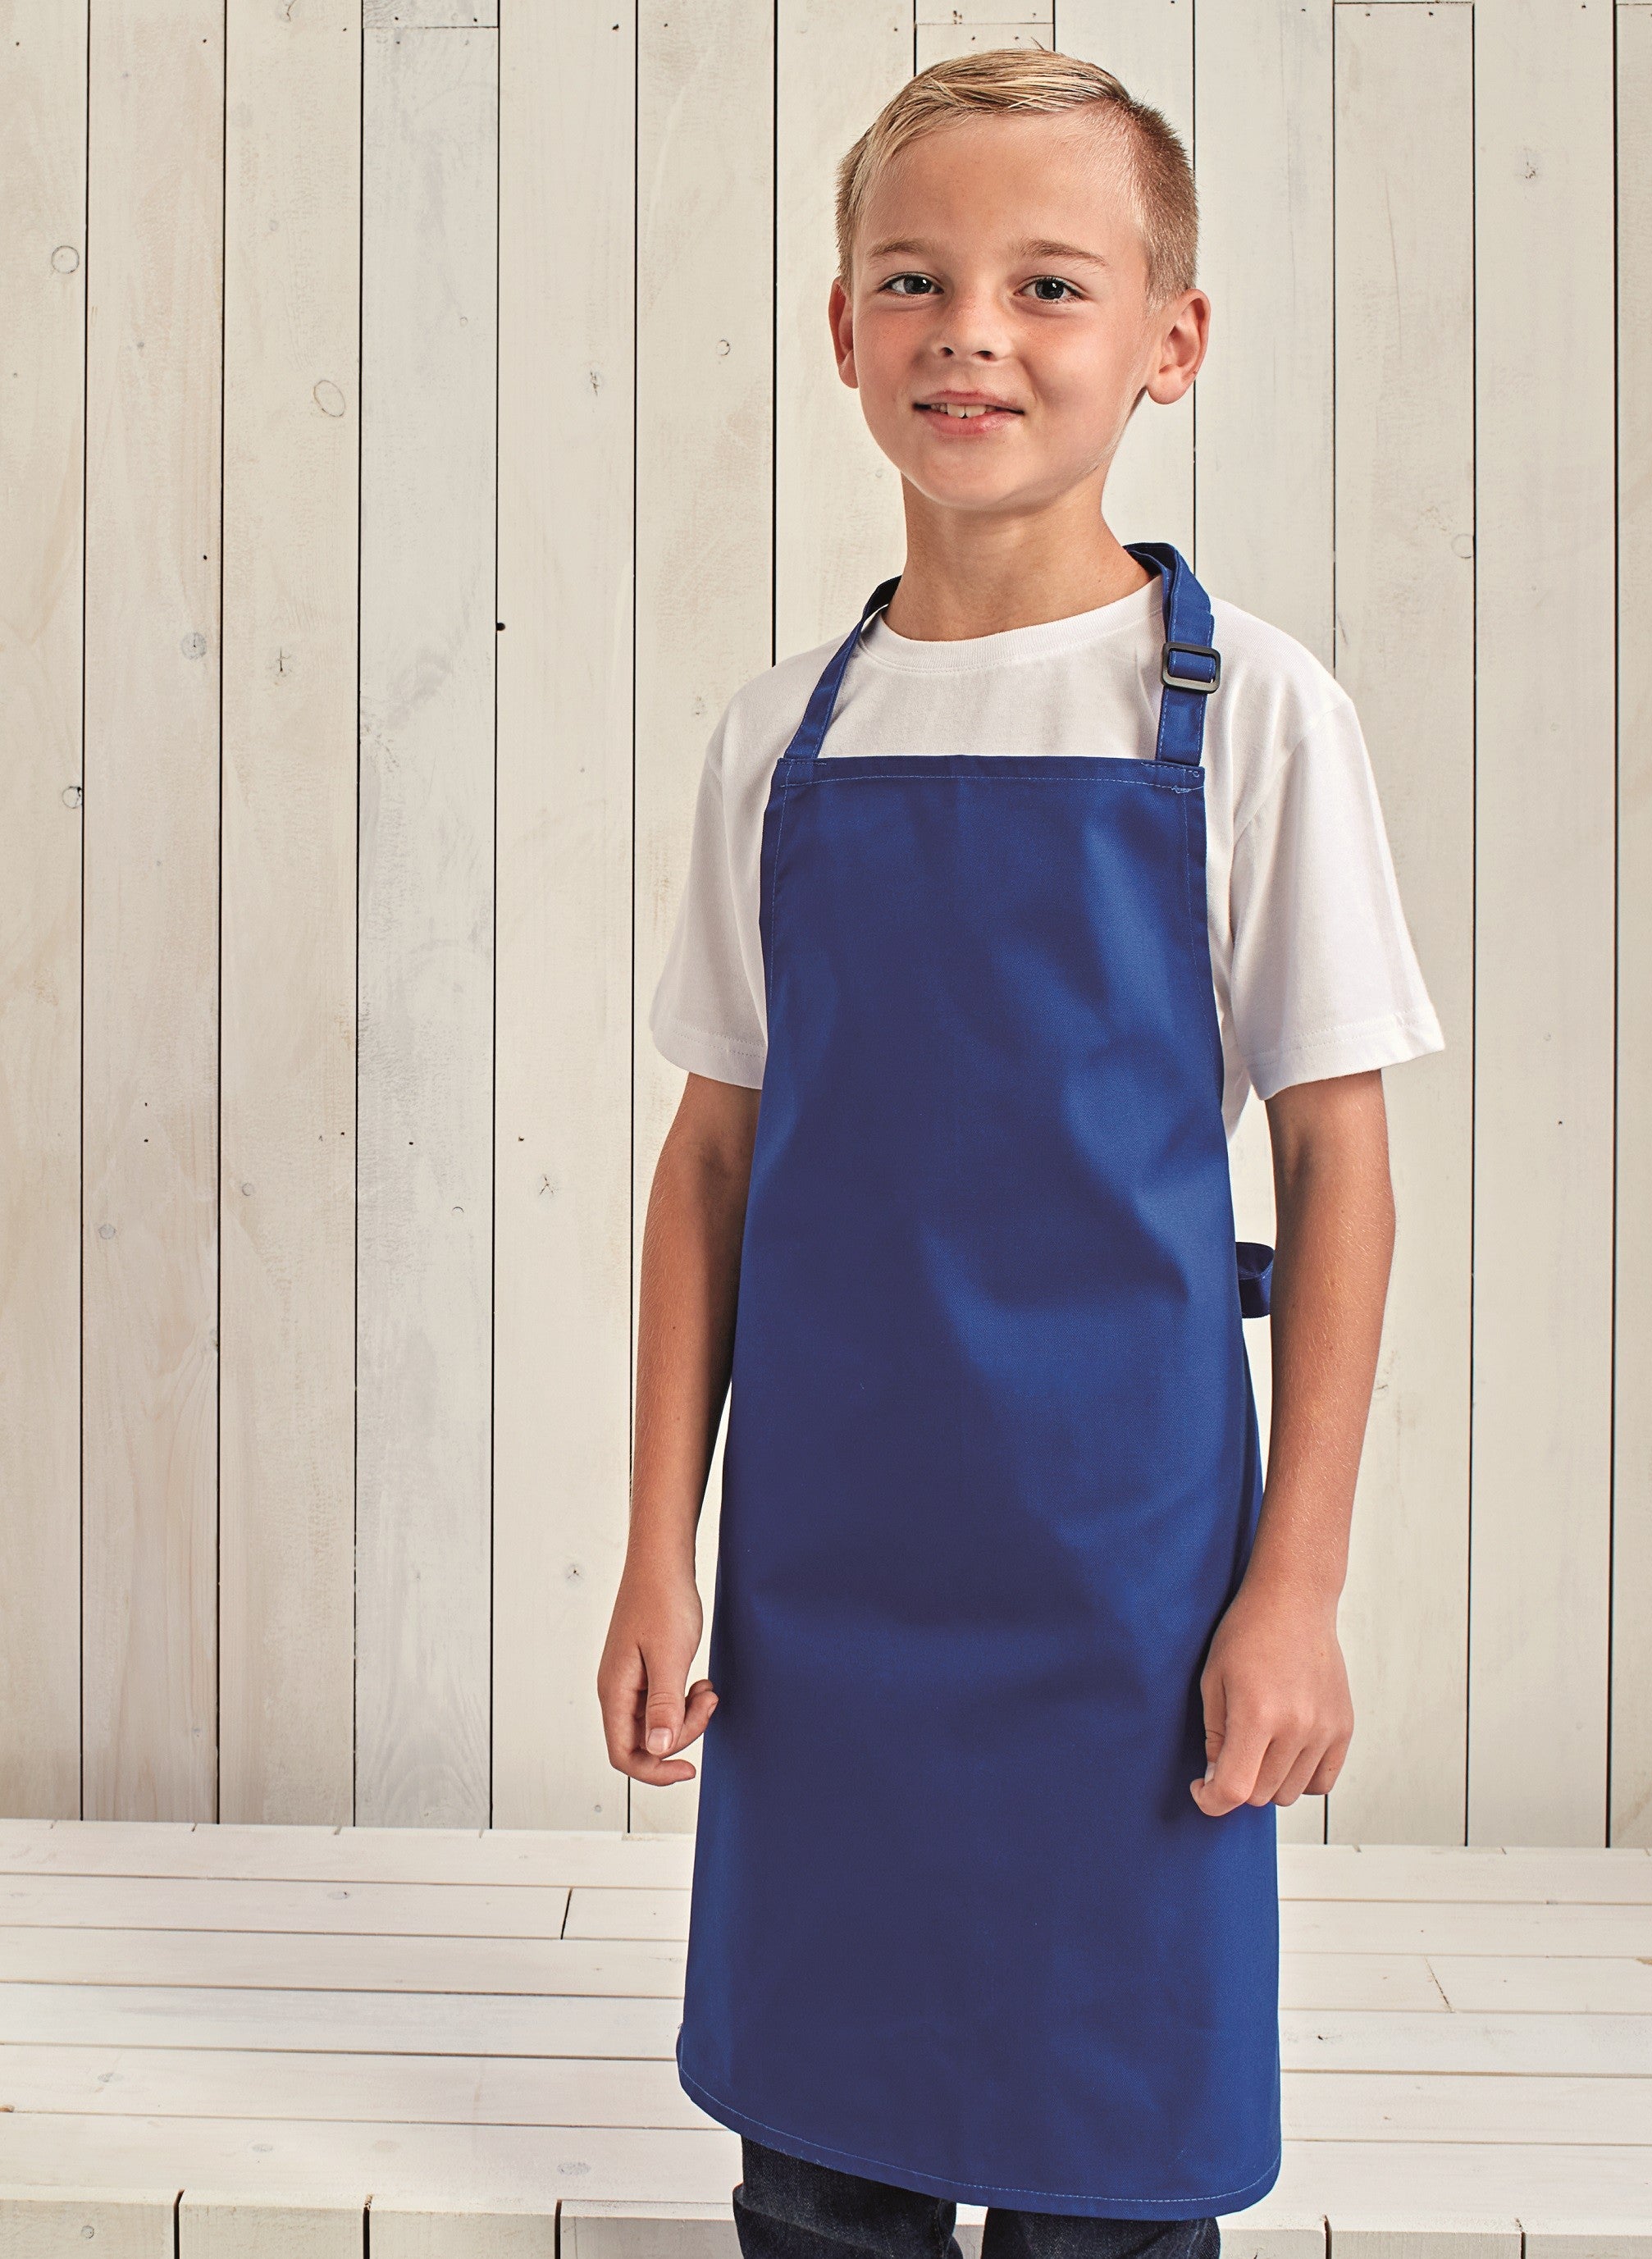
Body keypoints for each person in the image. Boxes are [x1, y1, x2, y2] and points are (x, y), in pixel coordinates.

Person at [598, 45, 1445, 2259]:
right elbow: (711, 1164)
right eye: (914, 277)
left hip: (1131, 1578)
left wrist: (1295, 1590)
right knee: (825, 2157)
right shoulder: (781, 738)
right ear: (841, 329)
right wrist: (660, 1554)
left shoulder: (1249, 715)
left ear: (1170, 340)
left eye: (1048, 283)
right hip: (824, 1584)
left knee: (1113, 2151)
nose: (970, 329)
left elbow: (1338, 1168)